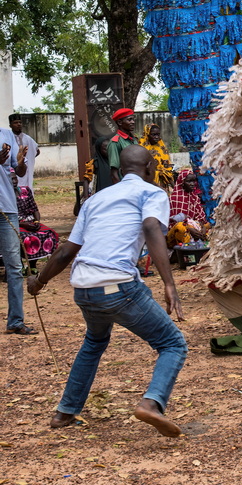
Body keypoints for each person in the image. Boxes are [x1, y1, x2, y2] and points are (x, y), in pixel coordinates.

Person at [26, 146, 187, 436]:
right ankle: (151, 404)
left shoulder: (95, 199)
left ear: (122, 170)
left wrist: (39, 281)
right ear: (150, 168)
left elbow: (66, 252)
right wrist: (168, 283)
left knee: (94, 341)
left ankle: (65, 412)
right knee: (172, 344)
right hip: (119, 287)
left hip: (84, 289)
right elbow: (151, 227)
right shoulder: (152, 193)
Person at [0, 130, 31, 333]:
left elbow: (18, 172)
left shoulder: (6, 135)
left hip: (7, 208)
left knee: (14, 266)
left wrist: (20, 163)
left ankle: (15, 321)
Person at [12, 172, 59, 265]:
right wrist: (21, 224)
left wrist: (36, 221)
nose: (13, 181)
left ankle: (33, 265)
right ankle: (18, 265)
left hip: (29, 221)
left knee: (49, 233)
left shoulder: (25, 190)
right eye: (10, 179)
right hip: (12, 223)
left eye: (15, 178)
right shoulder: (3, 195)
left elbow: (35, 209)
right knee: (25, 237)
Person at [108, 108, 140, 185]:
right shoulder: (115, 142)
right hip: (126, 183)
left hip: (137, 182)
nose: (133, 122)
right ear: (120, 122)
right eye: (129, 120)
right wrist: (121, 190)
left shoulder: (134, 139)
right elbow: (114, 173)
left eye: (133, 119)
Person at [138, 124, 175, 189]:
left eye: (158, 134)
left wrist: (174, 188)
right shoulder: (141, 148)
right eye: (153, 134)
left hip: (162, 183)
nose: (157, 137)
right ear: (147, 134)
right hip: (147, 183)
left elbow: (167, 167)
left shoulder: (162, 147)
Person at [8, 114, 39, 191]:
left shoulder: (28, 138)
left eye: (20, 122)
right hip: (14, 170)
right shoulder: (8, 138)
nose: (18, 124)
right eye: (15, 122)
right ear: (10, 125)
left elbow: (37, 151)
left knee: (27, 189)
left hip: (27, 169)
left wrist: (27, 159)